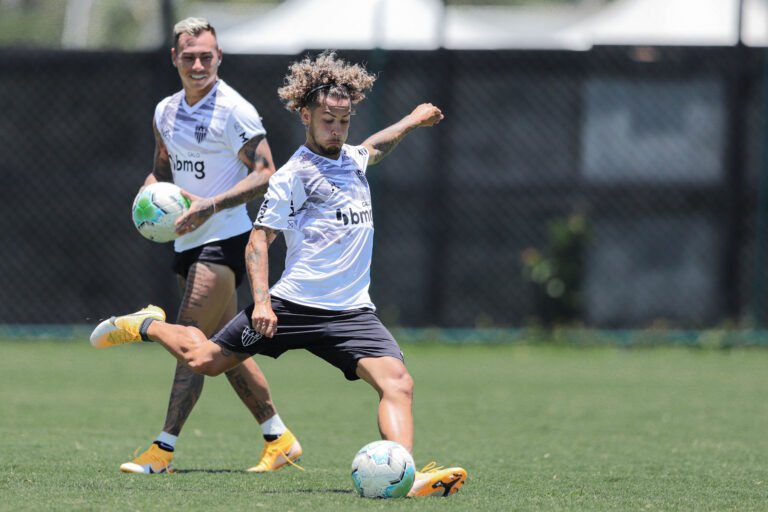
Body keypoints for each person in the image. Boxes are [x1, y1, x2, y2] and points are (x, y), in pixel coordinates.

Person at [91, 51, 467, 497]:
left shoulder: (351, 159)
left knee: (398, 383)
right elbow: (258, 241)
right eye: (328, 120)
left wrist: (410, 120)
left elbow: (377, 146)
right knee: (205, 361)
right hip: (291, 306)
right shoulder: (294, 175)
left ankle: (402, 474)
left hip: (351, 312)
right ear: (306, 115)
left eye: (344, 123)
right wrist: (264, 303)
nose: (336, 130)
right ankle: (145, 325)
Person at [107, 17, 301, 475]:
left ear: (219, 57)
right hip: (186, 237)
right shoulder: (166, 111)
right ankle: (279, 438)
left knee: (189, 338)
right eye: (189, 56)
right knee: (220, 348)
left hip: (226, 236)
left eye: (207, 56)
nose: (198, 64)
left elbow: (266, 172)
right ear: (174, 58)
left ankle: (163, 449)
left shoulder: (234, 110)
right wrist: (148, 194)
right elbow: (161, 168)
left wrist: (211, 205)